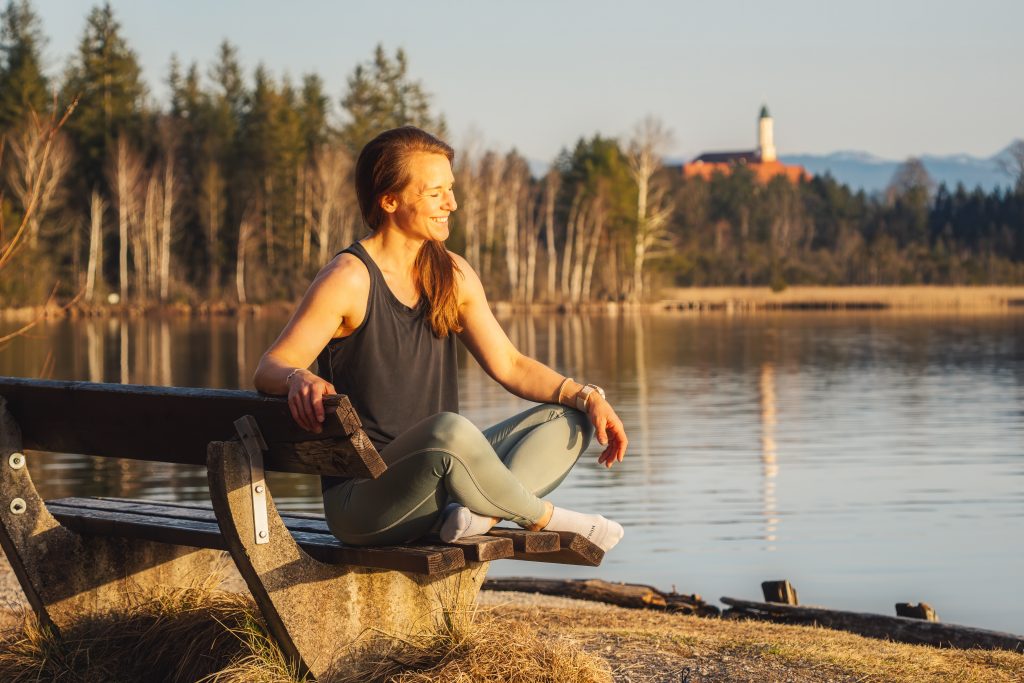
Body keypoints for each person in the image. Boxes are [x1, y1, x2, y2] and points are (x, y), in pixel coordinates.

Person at [253, 126, 627, 551]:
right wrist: (297, 377)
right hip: (365, 500)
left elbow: (510, 364)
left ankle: (478, 515)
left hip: (443, 485)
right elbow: (270, 368)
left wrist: (587, 396)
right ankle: (545, 517)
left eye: (450, 189)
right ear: (389, 200)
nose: (453, 203)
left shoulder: (452, 273)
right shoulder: (349, 279)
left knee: (568, 420)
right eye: (436, 193)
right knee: (449, 433)